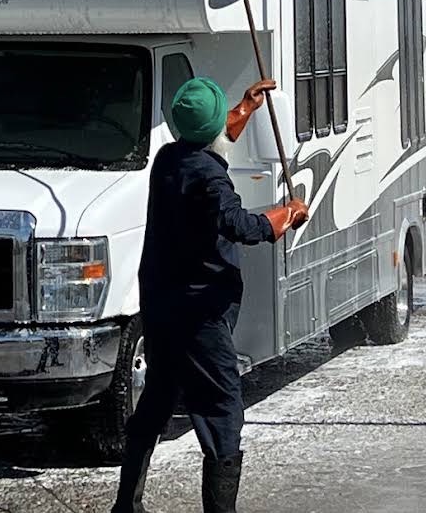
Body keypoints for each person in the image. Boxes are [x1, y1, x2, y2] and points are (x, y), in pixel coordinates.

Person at [112, 76, 310, 513]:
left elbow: (211, 139)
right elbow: (237, 223)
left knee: (158, 400)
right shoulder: (209, 178)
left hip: (160, 307)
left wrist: (244, 108)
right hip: (200, 314)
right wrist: (284, 215)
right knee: (223, 412)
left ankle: (126, 506)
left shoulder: (169, 158)